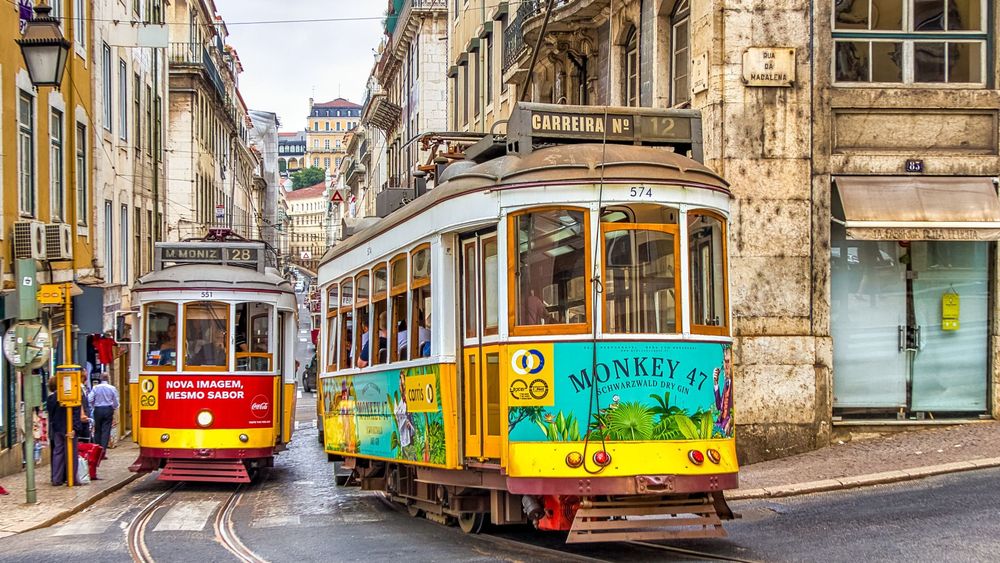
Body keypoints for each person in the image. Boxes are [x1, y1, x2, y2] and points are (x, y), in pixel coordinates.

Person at [45, 377, 83, 486]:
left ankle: (57, 479)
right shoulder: (71, 396)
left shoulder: (51, 398)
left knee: (58, 453)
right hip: (69, 428)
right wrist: (75, 429)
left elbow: (51, 415)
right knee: (71, 453)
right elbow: (75, 414)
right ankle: (72, 479)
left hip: (57, 428)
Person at [89, 373, 120, 451]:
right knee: (106, 430)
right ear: (108, 378)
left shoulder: (95, 388)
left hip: (98, 409)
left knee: (97, 430)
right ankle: (103, 451)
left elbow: (90, 399)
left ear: (100, 378)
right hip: (108, 409)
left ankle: (97, 449)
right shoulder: (112, 388)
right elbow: (115, 401)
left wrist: (94, 405)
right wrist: (114, 407)